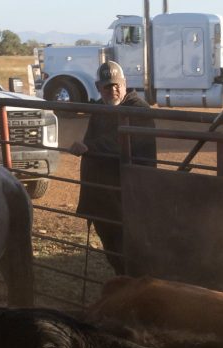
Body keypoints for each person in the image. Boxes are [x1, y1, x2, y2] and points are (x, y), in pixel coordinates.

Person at [69, 61, 156, 275]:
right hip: (104, 193)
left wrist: (90, 147)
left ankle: (135, 282)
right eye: (108, 86)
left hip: (130, 191)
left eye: (117, 85)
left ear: (125, 84)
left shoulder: (139, 110)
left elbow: (124, 142)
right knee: (110, 239)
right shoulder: (100, 108)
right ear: (99, 87)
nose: (114, 90)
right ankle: (124, 279)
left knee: (131, 242)